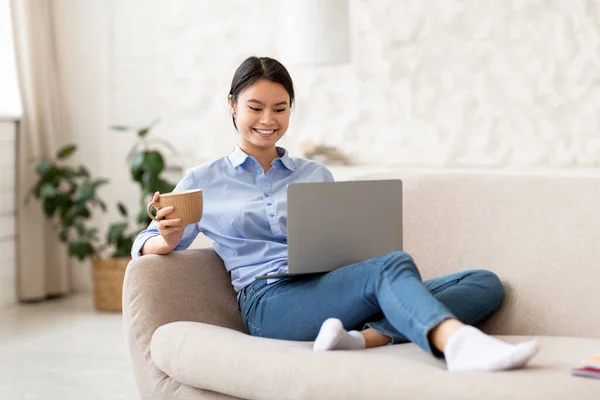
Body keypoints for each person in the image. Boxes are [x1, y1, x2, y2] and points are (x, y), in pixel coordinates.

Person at [131, 56, 540, 372]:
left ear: (292, 109)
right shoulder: (205, 178)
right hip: (268, 303)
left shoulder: (315, 173)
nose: (268, 120)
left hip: (328, 286)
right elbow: (142, 242)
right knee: (392, 267)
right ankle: (457, 345)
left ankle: (362, 339)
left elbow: (338, 244)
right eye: (255, 107)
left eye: (280, 108)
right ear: (233, 105)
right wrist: (164, 240)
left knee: (485, 283)